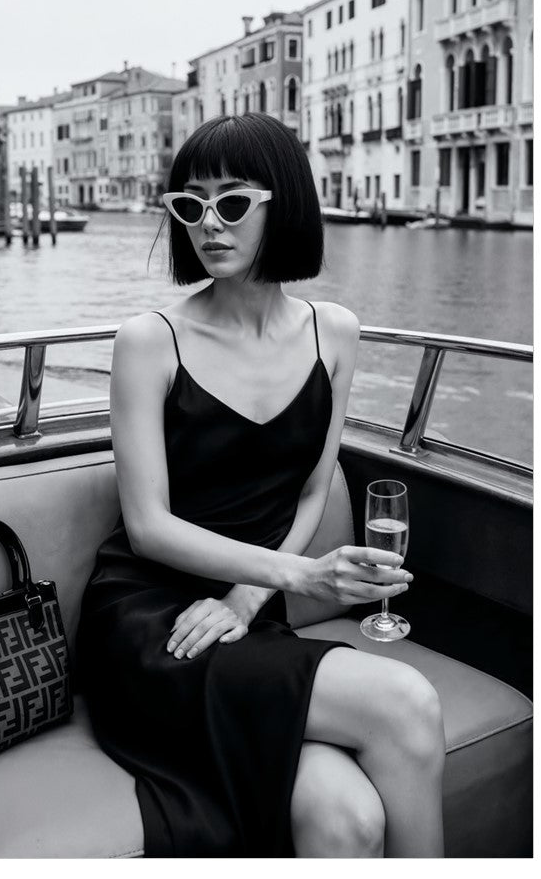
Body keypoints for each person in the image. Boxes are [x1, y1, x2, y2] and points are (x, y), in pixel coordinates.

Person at [77, 113, 445, 858]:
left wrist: (248, 597)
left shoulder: (333, 331)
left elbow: (313, 488)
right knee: (405, 700)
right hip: (150, 622)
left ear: (285, 205)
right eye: (189, 206)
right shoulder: (149, 340)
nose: (208, 224)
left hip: (246, 614)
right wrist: (298, 574)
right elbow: (147, 525)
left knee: (347, 820)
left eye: (233, 203)